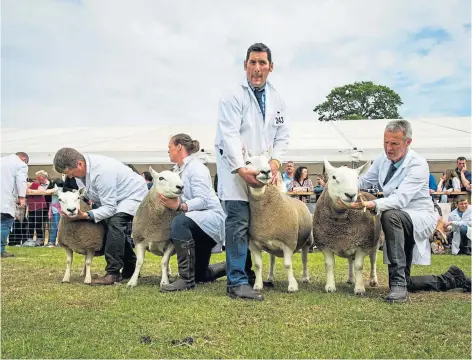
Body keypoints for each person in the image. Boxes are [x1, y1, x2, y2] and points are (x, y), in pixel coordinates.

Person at [354, 120, 470, 302]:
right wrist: (343, 183)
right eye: (385, 142)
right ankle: (450, 279)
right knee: (406, 279)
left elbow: (401, 199)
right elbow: (364, 182)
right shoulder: (381, 160)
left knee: (390, 215)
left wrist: (372, 204)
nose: (388, 148)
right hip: (398, 218)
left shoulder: (418, 164)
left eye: (394, 143)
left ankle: (399, 288)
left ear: (408, 142)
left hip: (418, 217)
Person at [215, 42, 290, 301]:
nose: (257, 69)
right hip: (235, 168)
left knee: (256, 223)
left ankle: (245, 273)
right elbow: (230, 134)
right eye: (253, 63)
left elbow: (282, 135)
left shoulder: (278, 99)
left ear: (271, 67)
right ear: (245, 65)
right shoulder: (232, 95)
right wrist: (239, 168)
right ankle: (236, 281)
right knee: (237, 221)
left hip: (262, 170)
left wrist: (276, 163)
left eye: (262, 63)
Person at [53, 148, 148, 285]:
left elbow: (110, 208)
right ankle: (130, 267)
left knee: (115, 223)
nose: (71, 177)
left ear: (79, 164)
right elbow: (88, 193)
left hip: (131, 195)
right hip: (115, 198)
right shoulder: (81, 172)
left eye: (70, 172)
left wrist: (86, 215)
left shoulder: (103, 172)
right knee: (111, 226)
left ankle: (113, 273)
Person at [159, 134, 226, 292]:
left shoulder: (196, 167)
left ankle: (186, 279)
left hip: (209, 219)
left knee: (179, 222)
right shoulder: (179, 170)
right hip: (197, 222)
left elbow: (203, 200)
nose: (168, 151)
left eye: (170, 147)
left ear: (179, 147)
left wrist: (179, 206)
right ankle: (228, 266)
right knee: (201, 275)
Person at [1, 152, 29, 257]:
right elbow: (21, 181)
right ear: (24, 159)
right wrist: (22, 197)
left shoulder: (2, 160)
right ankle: (1, 249)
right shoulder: (20, 164)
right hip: (6, 200)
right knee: (4, 223)